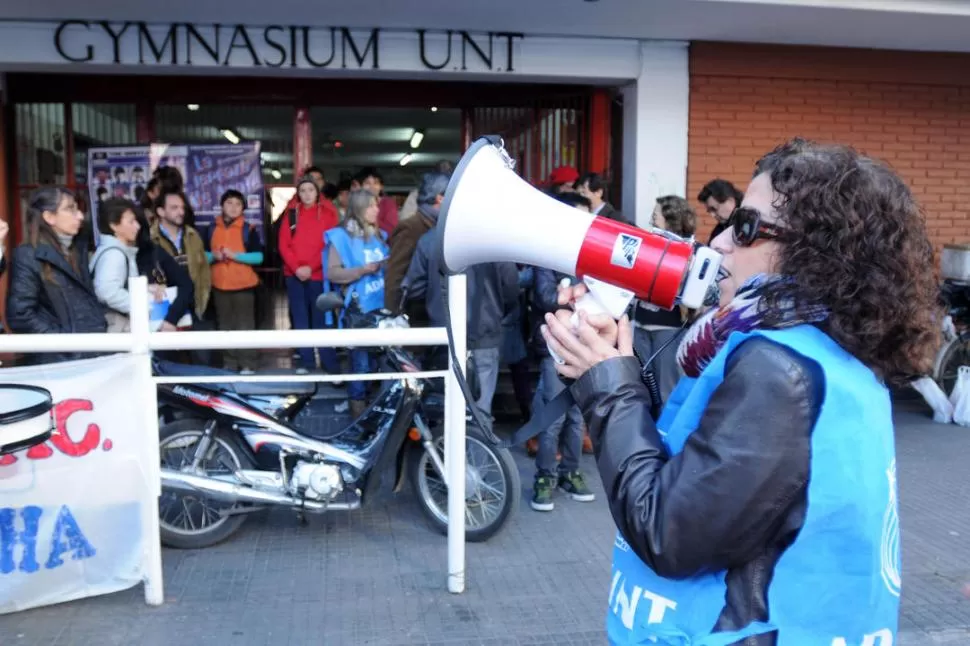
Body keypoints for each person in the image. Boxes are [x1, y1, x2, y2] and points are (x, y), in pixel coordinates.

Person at [541, 138, 938, 644]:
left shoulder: (776, 369)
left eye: (745, 228)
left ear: (815, 251)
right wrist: (608, 366)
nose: (720, 243)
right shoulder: (818, 351)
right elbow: (700, 465)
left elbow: (667, 531)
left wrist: (609, 387)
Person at [529, 192, 597, 512]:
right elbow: (544, 297)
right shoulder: (548, 255)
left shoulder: (593, 256)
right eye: (579, 217)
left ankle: (570, 473)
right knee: (553, 416)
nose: (586, 223)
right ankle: (545, 477)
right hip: (554, 349)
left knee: (576, 416)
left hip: (583, 348)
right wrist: (580, 292)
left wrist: (570, 294)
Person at [7, 187, 107, 363]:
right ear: (49, 217)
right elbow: (20, 315)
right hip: (60, 361)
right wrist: (62, 343)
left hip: (89, 353)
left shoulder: (76, 249)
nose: (80, 216)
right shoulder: (28, 255)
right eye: (70, 209)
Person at [324, 189, 389, 418]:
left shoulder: (380, 235)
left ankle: (377, 410)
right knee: (360, 364)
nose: (377, 210)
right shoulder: (340, 237)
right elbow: (332, 274)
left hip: (382, 309)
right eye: (372, 206)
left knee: (380, 362)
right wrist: (362, 270)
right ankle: (358, 414)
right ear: (360, 208)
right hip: (358, 310)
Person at [629, 195, 697, 406]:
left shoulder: (692, 249)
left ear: (671, 218)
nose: (652, 217)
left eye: (656, 213)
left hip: (668, 328)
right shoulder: (651, 243)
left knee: (667, 387)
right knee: (643, 387)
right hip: (642, 324)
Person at [278, 175, 340, 375]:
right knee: (300, 319)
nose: (306, 194)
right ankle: (307, 362)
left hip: (319, 275)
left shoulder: (329, 215)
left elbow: (330, 246)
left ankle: (329, 364)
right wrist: (297, 268)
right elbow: (283, 245)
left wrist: (310, 268)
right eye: (302, 190)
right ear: (298, 193)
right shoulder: (291, 215)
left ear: (317, 192)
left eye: (310, 190)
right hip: (294, 275)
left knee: (322, 320)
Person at [206, 190, 265, 373]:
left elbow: (259, 257)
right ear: (222, 206)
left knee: (245, 326)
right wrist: (213, 256)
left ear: (243, 209)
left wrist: (234, 256)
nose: (233, 207)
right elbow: (201, 257)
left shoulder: (249, 229)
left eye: (238, 204)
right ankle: (229, 363)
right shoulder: (210, 228)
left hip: (244, 286)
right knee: (224, 326)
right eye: (229, 203)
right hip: (219, 285)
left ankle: (247, 364)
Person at [89, 197, 143, 332]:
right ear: (113, 225)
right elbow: (107, 291)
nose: (137, 226)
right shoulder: (114, 255)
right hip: (117, 328)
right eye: (131, 221)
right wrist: (143, 305)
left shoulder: (113, 251)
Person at [697, 178, 744, 244]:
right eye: (709, 211)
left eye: (714, 209)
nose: (712, 215)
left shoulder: (750, 226)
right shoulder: (720, 229)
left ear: (730, 201)